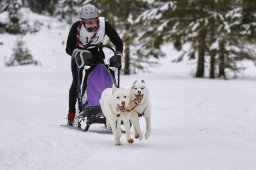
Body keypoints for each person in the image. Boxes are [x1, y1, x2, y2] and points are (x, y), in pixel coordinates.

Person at [65, 4, 123, 126]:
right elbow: (68, 48)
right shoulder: (76, 27)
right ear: (82, 21)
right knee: (76, 82)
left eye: (93, 21)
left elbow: (118, 42)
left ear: (97, 19)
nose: (91, 24)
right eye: (88, 22)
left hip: (96, 53)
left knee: (104, 76)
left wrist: (118, 55)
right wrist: (79, 53)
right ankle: (71, 114)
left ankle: (106, 107)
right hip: (79, 54)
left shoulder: (104, 25)